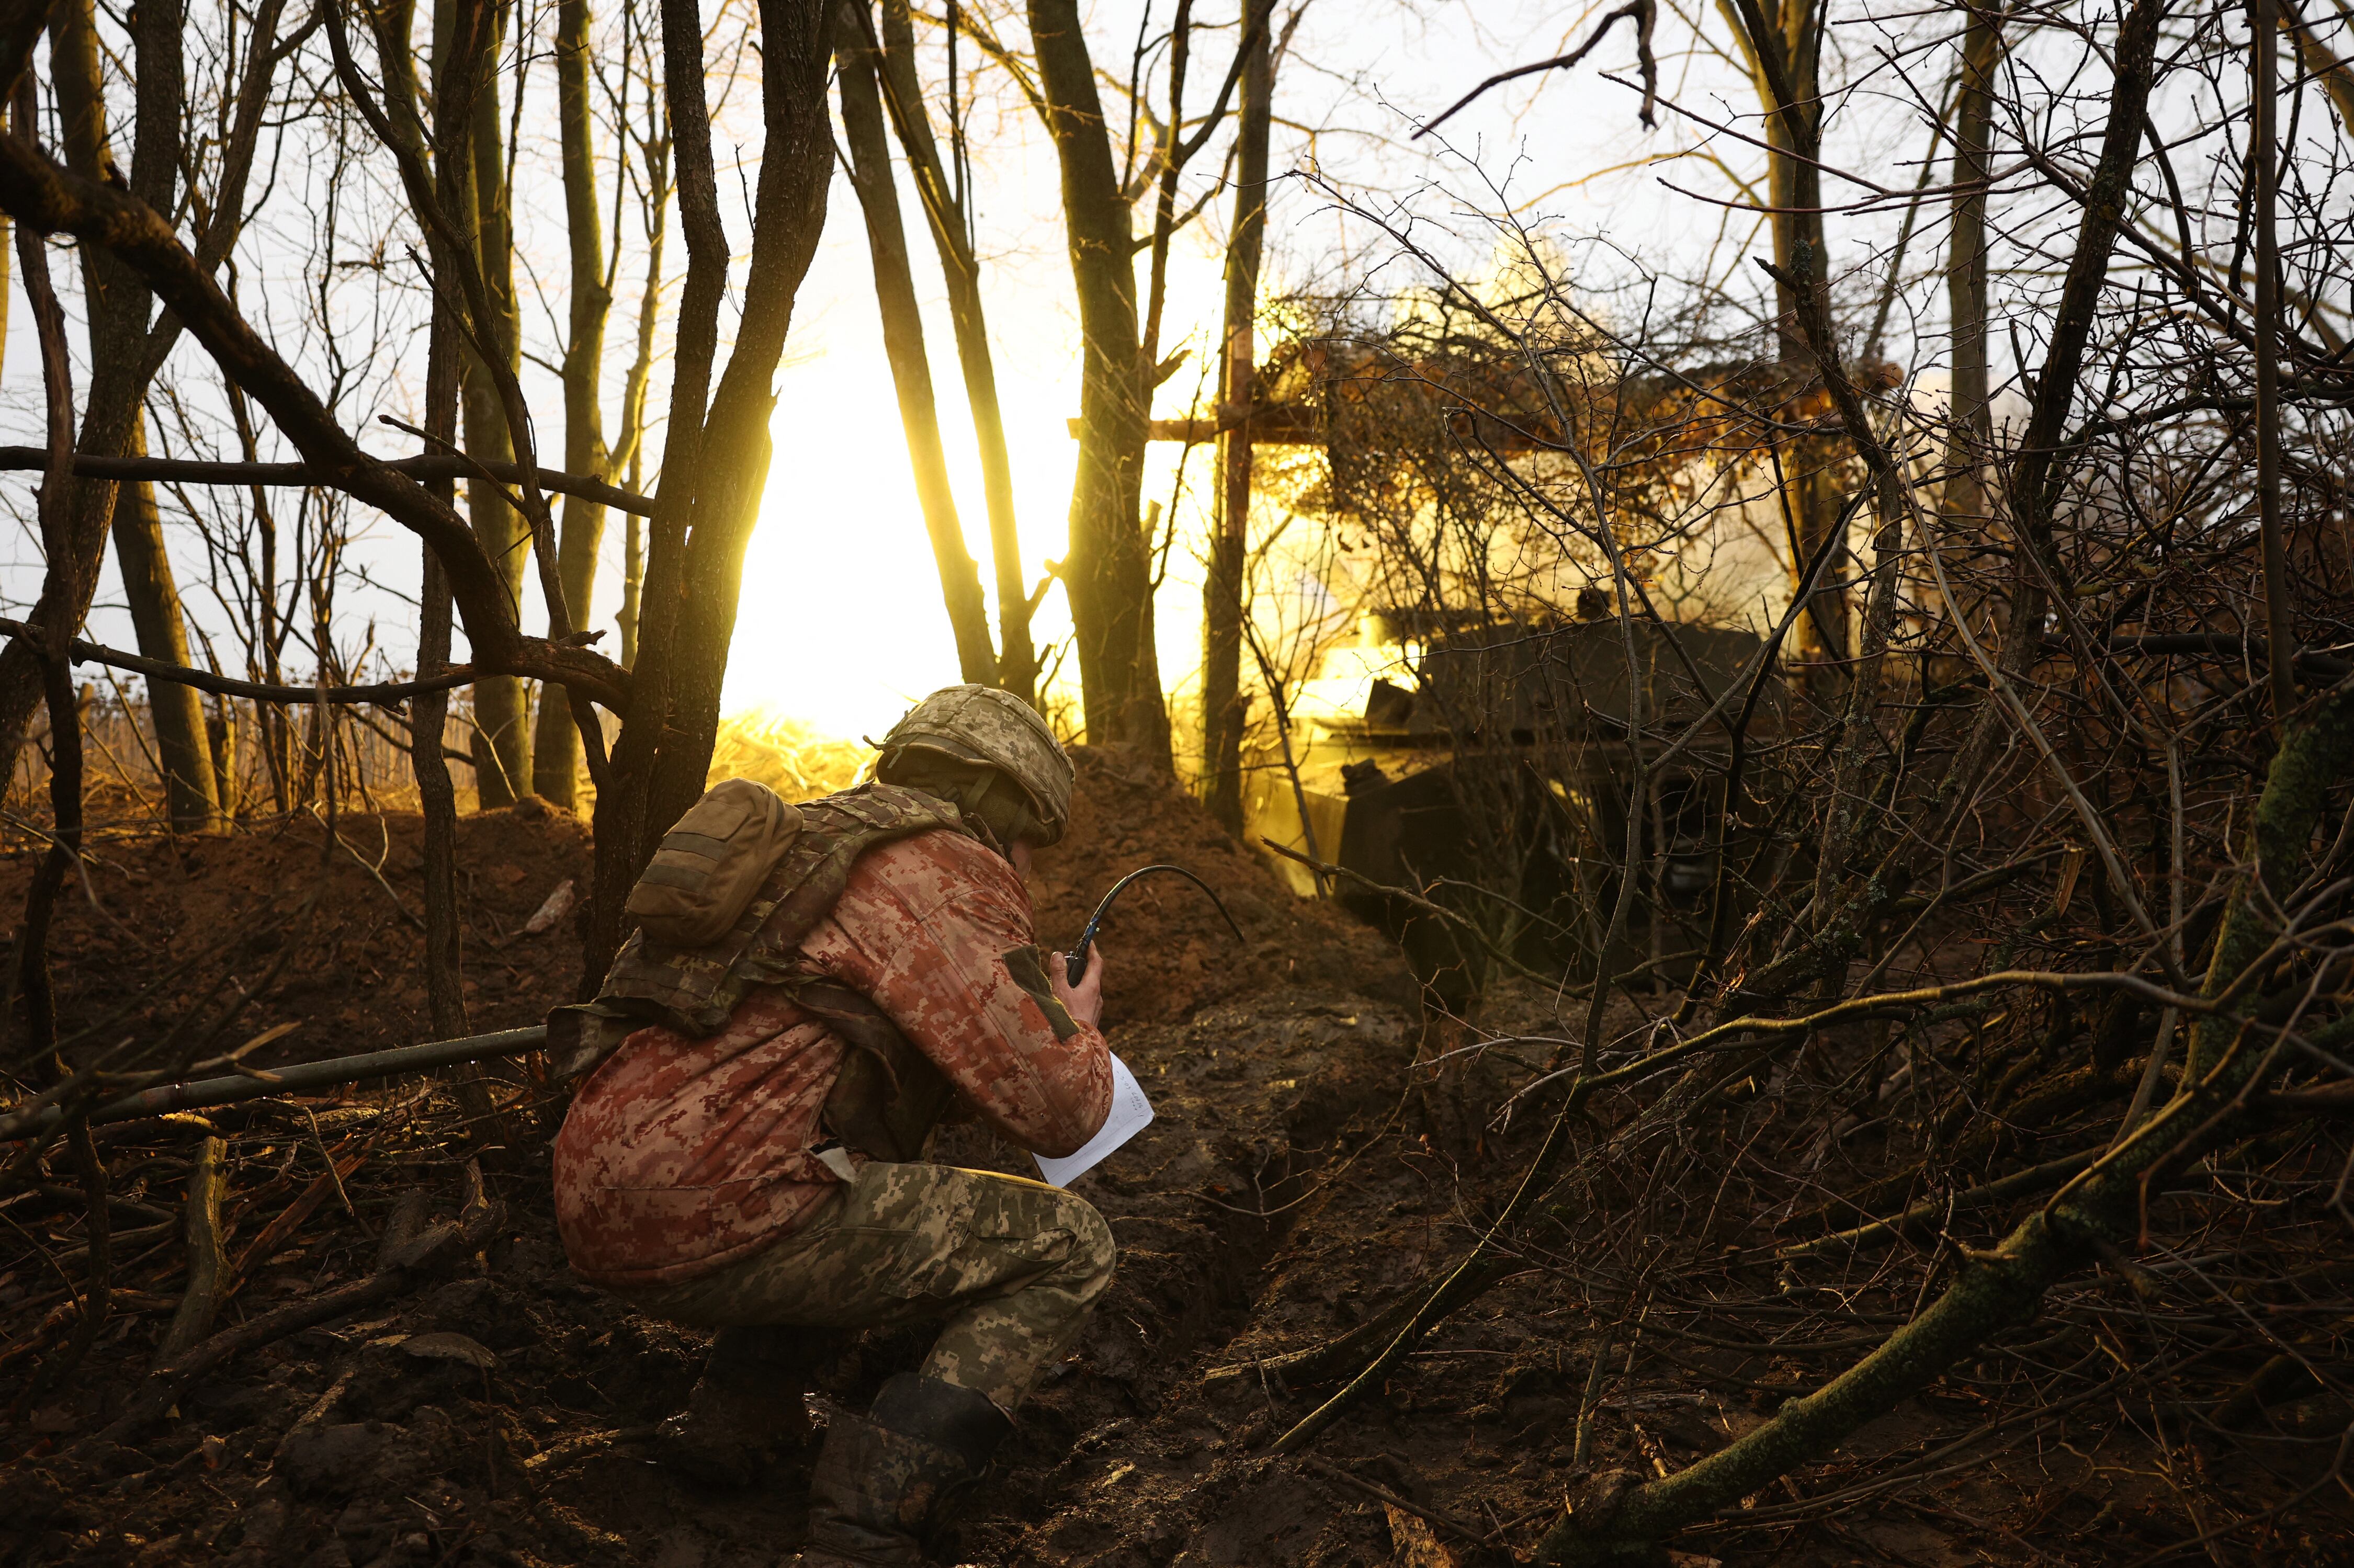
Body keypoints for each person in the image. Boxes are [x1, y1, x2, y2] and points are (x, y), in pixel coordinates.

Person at [549, 686, 1116, 1567]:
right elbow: (1061, 1112)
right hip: (720, 1197)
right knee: (1072, 1246)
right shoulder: (946, 871)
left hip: (595, 1185)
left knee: (847, 1171)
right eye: (1032, 840)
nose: (1028, 864)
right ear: (1003, 803)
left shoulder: (819, 838)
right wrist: (1078, 1026)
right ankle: (866, 1528)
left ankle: (735, 1418)